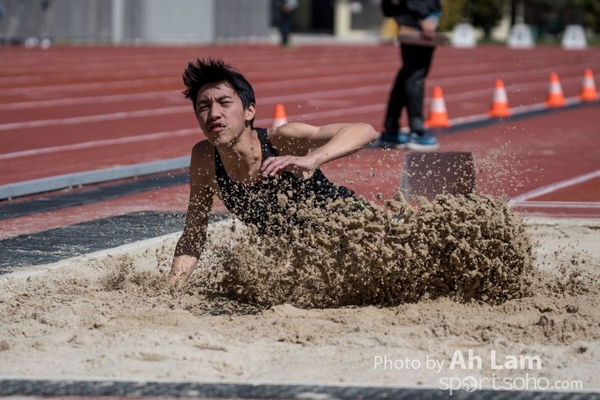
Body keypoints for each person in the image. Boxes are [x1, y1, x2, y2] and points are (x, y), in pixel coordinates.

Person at [168, 58, 379, 286]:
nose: (214, 113)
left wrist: (311, 159)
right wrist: (170, 289)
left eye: (224, 103)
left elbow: (365, 131)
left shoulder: (281, 139)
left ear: (249, 111)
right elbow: (193, 236)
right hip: (305, 256)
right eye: (203, 106)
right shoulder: (204, 158)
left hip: (355, 228)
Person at [380, 0, 442, 151]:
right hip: (417, 14)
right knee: (416, 74)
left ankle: (391, 128)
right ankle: (417, 132)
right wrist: (424, 15)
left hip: (408, 12)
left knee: (408, 72)